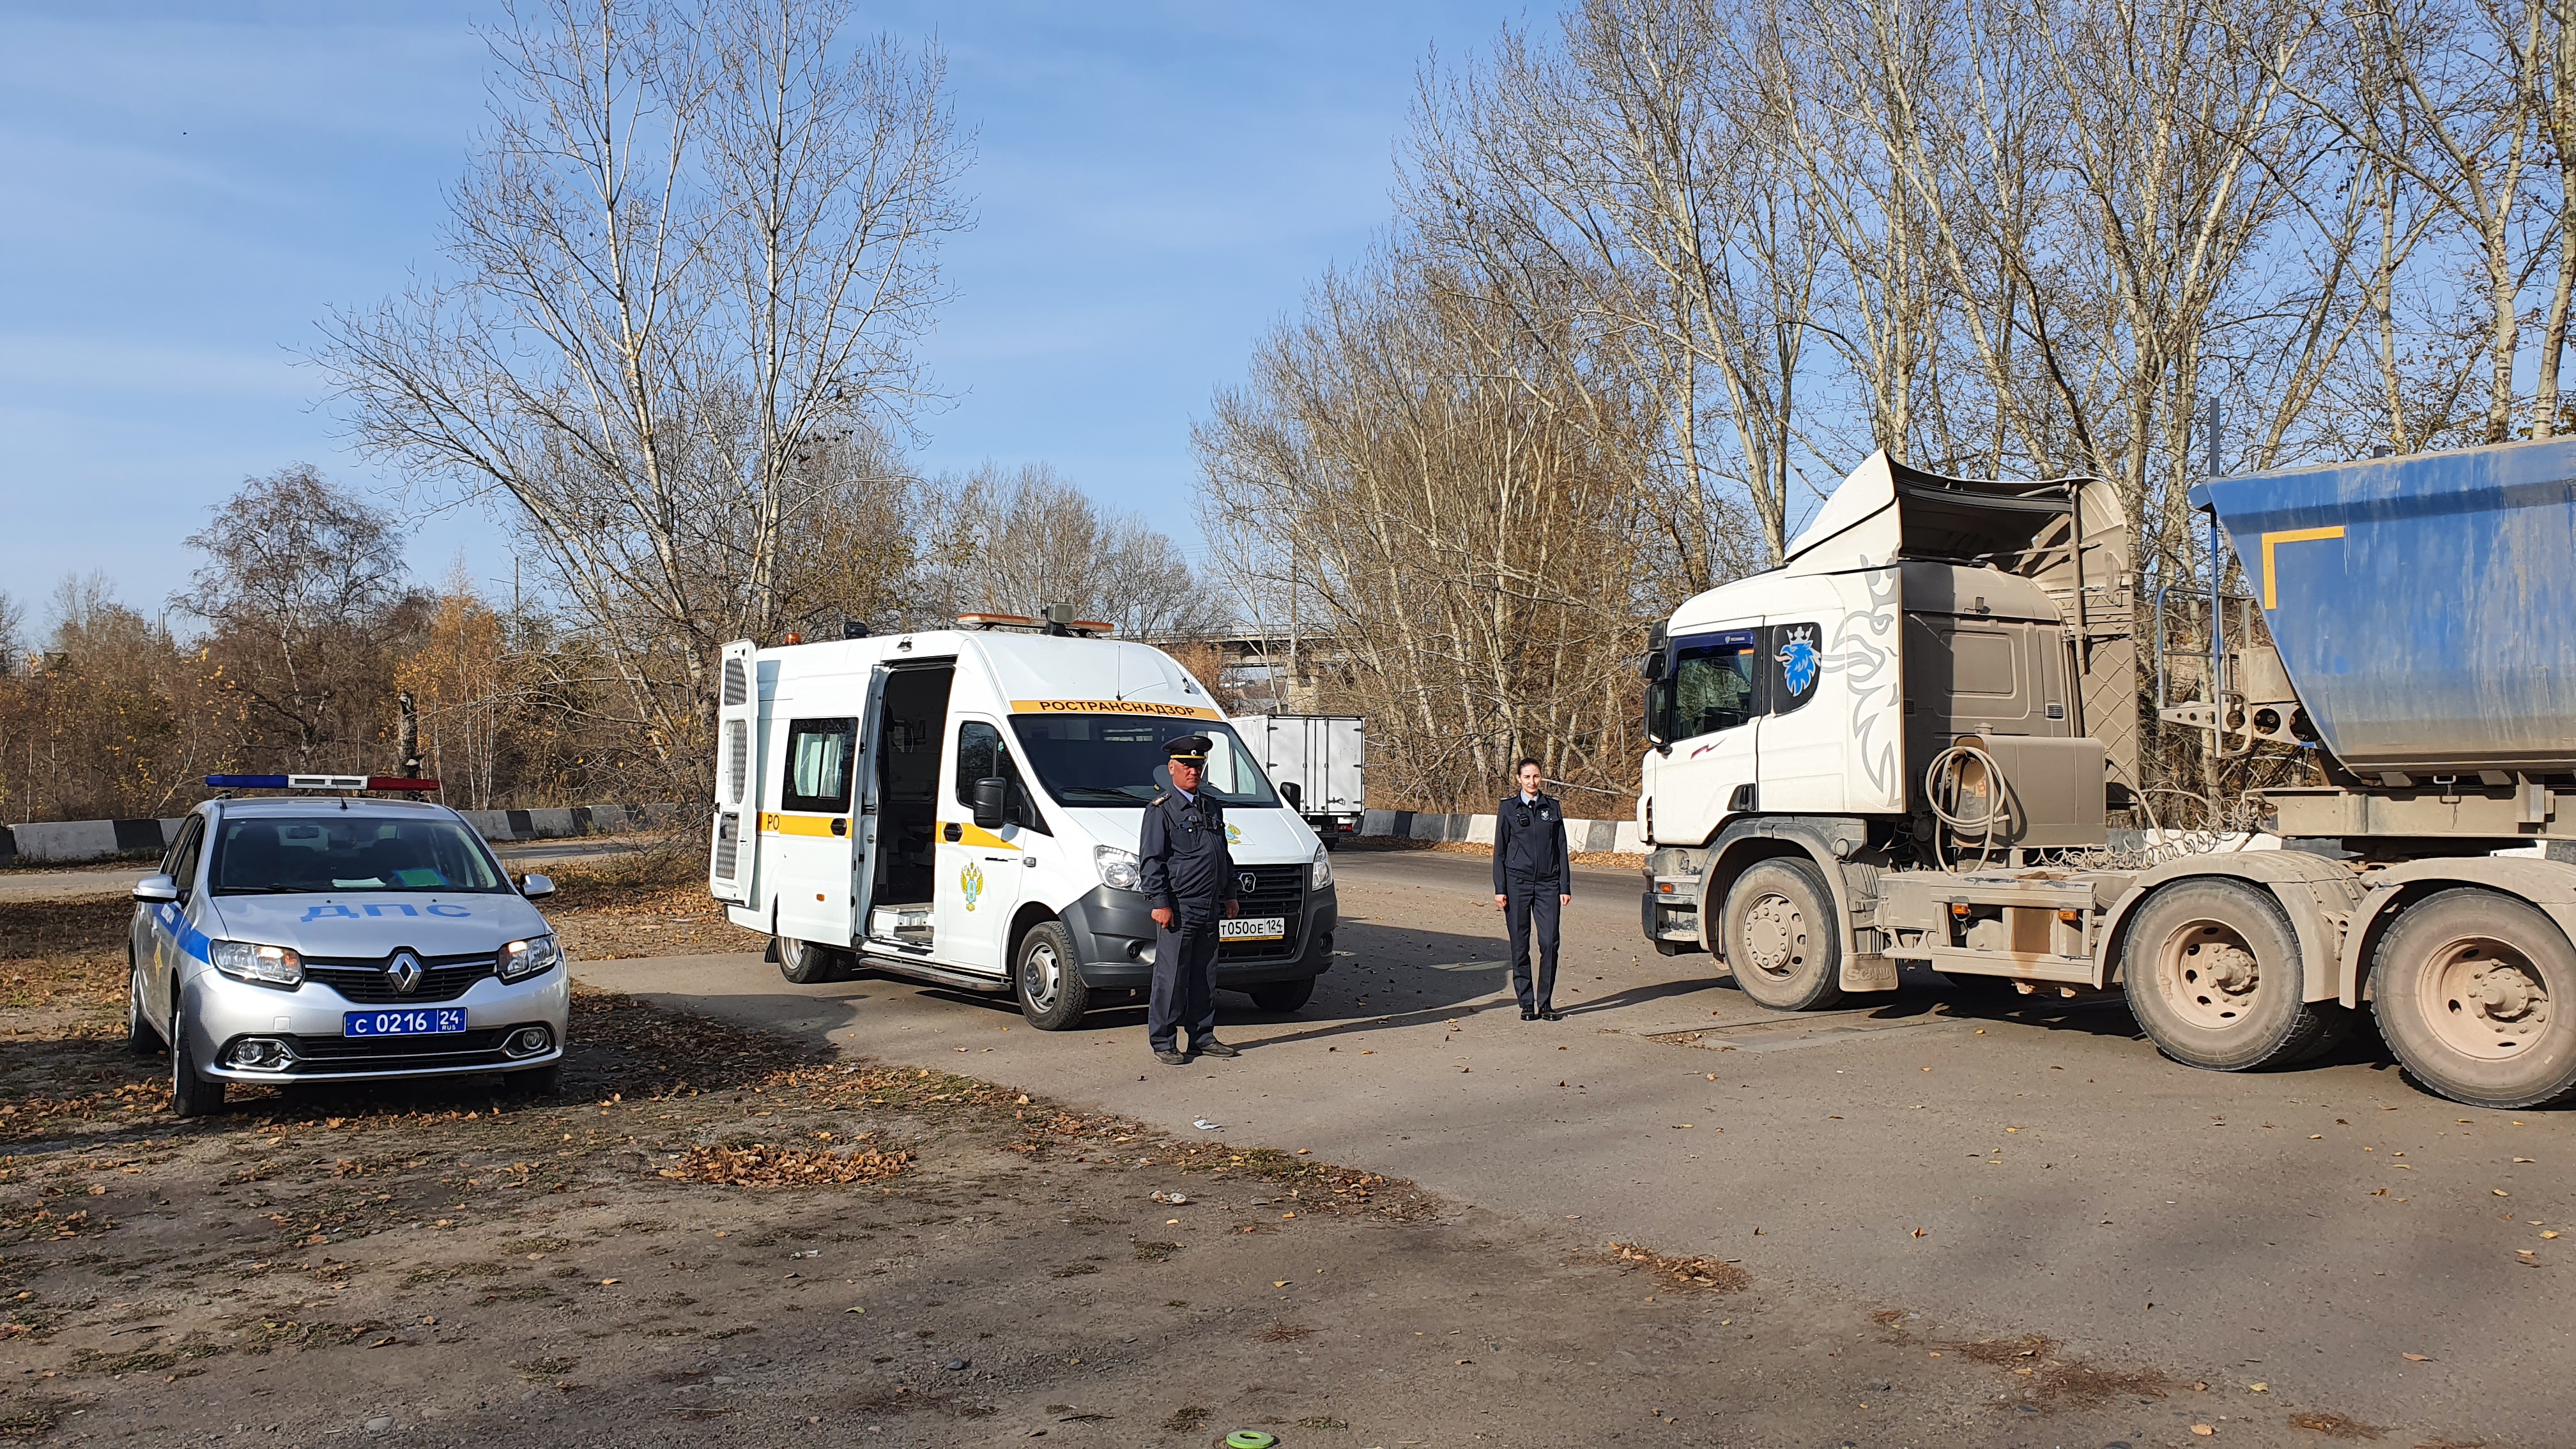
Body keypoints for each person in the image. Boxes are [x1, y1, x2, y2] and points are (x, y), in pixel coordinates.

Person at [1138, 734, 1242, 1065]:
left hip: (1209, 904)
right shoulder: (1162, 810)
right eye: (1186, 765)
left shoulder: (1212, 806)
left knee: (1205, 974)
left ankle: (1202, 1036)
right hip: (1179, 907)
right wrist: (1159, 902)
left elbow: (1222, 855)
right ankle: (1163, 1041)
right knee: (1171, 976)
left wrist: (1230, 894)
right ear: (1172, 768)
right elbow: (1151, 860)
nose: (1193, 771)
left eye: (1198, 765)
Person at [1491, 758, 1571, 1022]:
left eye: (1536, 776)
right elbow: (1500, 852)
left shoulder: (1553, 807)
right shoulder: (1508, 808)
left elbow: (1561, 849)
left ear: (1542, 777)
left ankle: (1545, 1003)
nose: (1532, 782)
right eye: (1527, 777)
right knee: (1519, 944)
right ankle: (1526, 1003)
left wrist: (1564, 886)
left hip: (1548, 884)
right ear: (1519, 779)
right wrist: (1500, 889)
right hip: (1517, 884)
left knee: (1549, 943)